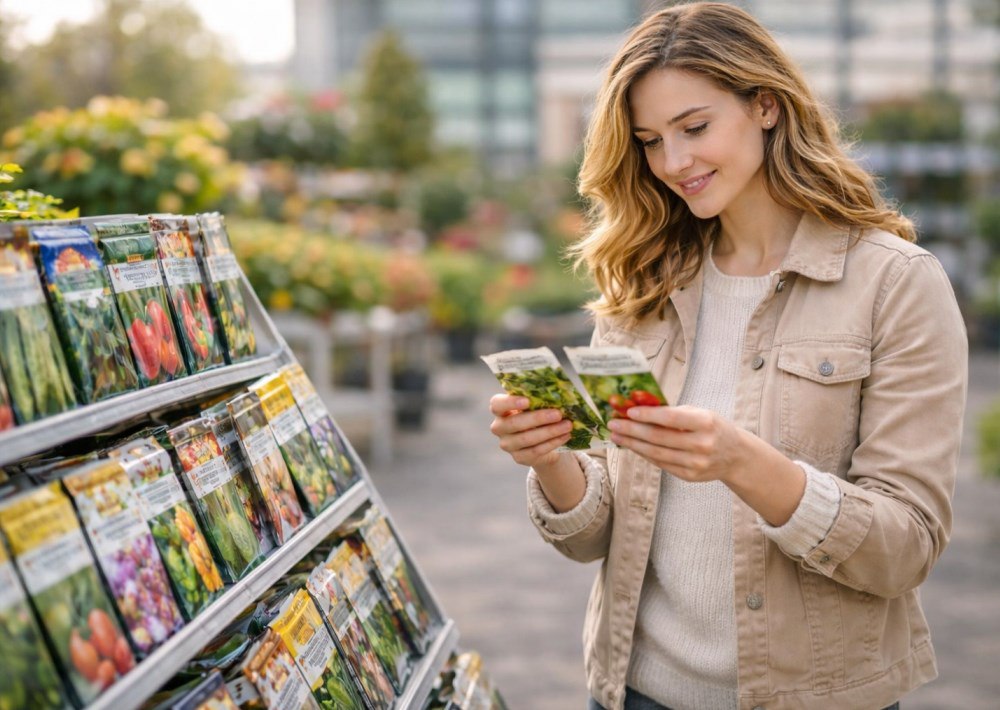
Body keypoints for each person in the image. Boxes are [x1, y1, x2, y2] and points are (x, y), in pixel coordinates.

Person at [487, 3, 968, 710]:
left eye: (695, 127)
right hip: (634, 691)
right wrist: (551, 459)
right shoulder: (646, 279)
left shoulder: (894, 283)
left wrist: (745, 465)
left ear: (766, 106)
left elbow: (905, 548)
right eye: (650, 140)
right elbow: (595, 536)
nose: (674, 162)